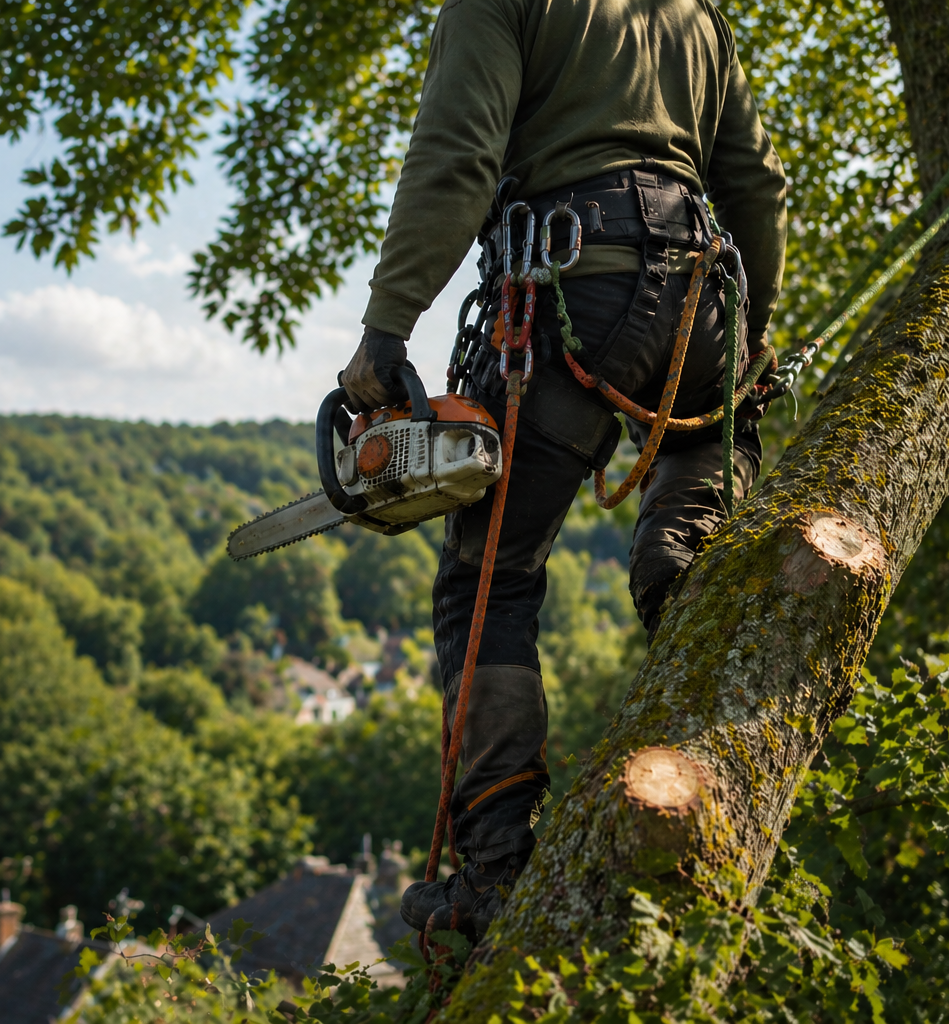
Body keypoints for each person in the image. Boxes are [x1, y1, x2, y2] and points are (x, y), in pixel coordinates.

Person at [337, 0, 788, 939]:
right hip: (706, 290)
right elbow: (754, 184)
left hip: (572, 279)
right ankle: (675, 543)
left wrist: (385, 334)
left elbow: (458, 157)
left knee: (488, 580)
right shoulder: (694, 13)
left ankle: (496, 866)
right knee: (714, 432)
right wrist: (754, 336)